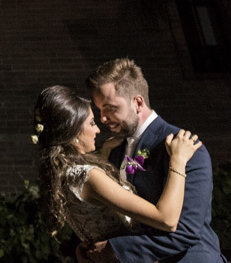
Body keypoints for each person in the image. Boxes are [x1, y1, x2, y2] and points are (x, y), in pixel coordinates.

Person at [83, 58, 225, 263]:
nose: (103, 118)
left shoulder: (184, 147)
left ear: (138, 103)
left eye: (110, 108)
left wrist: (115, 250)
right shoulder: (114, 150)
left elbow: (185, 231)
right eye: (100, 110)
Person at [34, 85, 202, 244]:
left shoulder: (63, 172)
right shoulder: (88, 176)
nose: (98, 130)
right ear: (74, 132)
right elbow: (166, 220)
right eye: (91, 123)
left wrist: (106, 152)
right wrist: (178, 161)